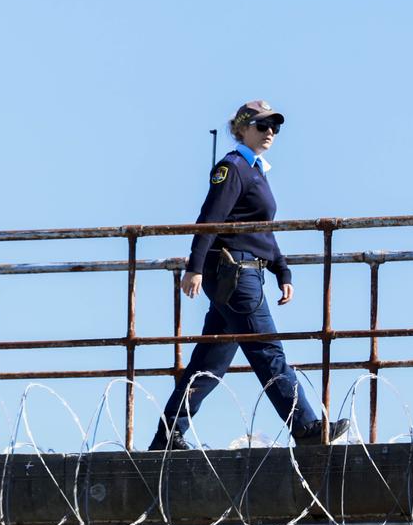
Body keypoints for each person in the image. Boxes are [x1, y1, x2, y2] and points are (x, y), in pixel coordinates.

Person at [148, 101, 350, 451]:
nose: (270, 131)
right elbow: (209, 219)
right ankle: (305, 428)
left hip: (245, 271)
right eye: (262, 125)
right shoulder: (233, 168)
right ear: (242, 128)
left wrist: (281, 270)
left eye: (274, 126)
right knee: (267, 350)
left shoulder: (256, 170)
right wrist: (194, 268)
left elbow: (263, 231)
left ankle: (166, 438)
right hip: (235, 273)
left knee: (209, 362)